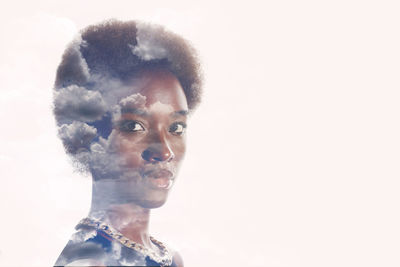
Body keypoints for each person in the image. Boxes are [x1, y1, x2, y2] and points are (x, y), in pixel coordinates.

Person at [53, 19, 202, 266]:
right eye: (134, 126)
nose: (164, 151)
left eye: (176, 128)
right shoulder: (89, 261)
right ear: (86, 137)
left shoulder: (170, 258)